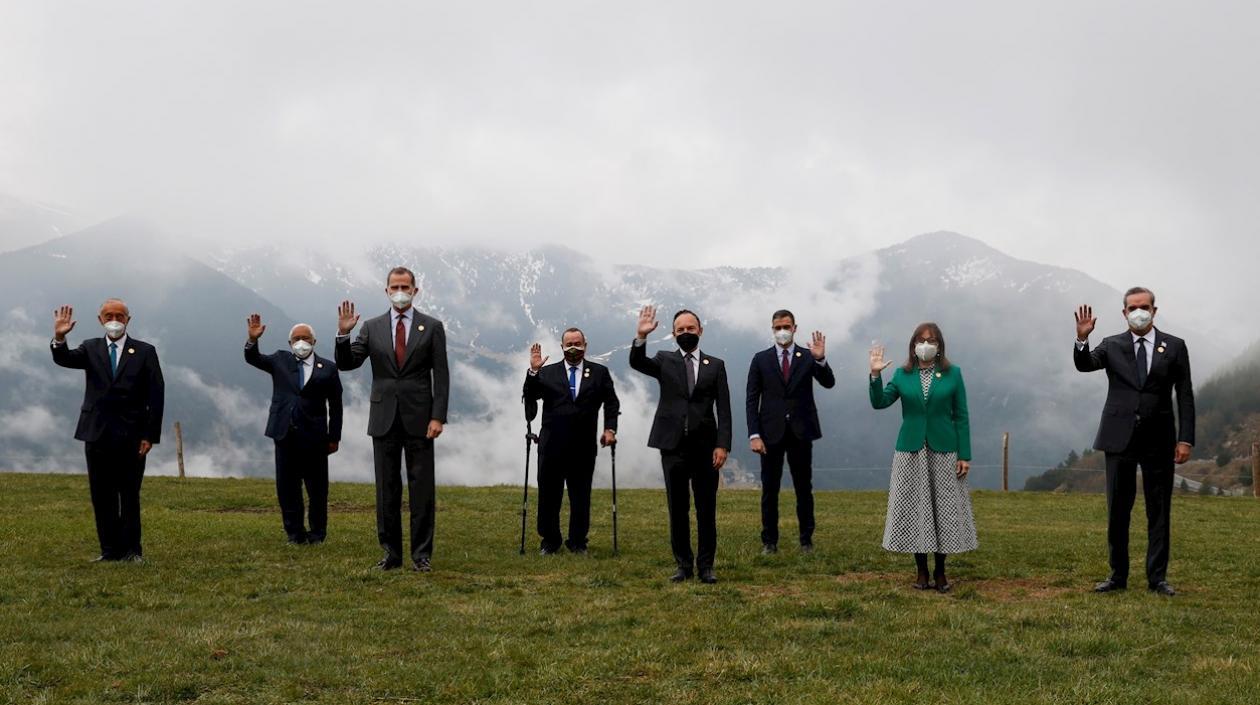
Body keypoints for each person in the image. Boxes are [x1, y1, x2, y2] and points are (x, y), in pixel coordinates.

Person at [1074, 287, 1194, 596]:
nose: (1138, 311)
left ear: (1154, 310)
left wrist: (1185, 440)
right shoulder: (1112, 345)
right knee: (1118, 509)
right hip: (1119, 437)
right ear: (1124, 312)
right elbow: (1085, 364)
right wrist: (1082, 339)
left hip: (1160, 438)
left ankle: (1158, 579)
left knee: (1159, 510)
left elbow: (1185, 395)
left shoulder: (1176, 347)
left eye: (1144, 306)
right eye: (1132, 307)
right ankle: (1117, 576)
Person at [335, 267, 449, 572]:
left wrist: (438, 416)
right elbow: (347, 363)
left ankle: (421, 555)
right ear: (386, 291)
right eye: (394, 286)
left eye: (405, 286)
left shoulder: (432, 326)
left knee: (421, 488)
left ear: (415, 290)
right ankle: (391, 554)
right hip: (383, 416)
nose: (400, 291)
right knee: (386, 488)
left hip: (421, 418)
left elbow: (442, 374)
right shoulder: (371, 327)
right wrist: (344, 333)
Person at [50, 300, 164, 563]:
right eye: (109, 315)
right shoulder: (91, 347)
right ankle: (109, 551)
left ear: (128, 319)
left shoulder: (145, 351)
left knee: (129, 494)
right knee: (101, 495)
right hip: (96, 432)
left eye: (119, 315)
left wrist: (150, 435)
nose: (114, 319)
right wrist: (59, 337)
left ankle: (132, 551)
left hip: (132, 436)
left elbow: (156, 394)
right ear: (100, 319)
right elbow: (64, 359)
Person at [868, 322, 976, 592]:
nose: (925, 344)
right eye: (921, 339)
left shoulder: (953, 374)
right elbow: (879, 402)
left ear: (939, 345)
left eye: (931, 340)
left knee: (944, 510)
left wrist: (965, 455)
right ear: (913, 344)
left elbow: (961, 416)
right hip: (911, 451)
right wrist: (874, 375)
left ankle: (940, 572)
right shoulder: (903, 375)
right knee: (916, 509)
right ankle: (921, 571)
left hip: (944, 450)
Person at [629, 305, 731, 583]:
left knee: (706, 508)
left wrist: (723, 445)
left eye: (691, 328)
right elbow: (637, 363)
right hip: (672, 446)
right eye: (681, 330)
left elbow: (724, 409)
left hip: (705, 447)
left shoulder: (716, 365)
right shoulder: (664, 360)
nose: (687, 333)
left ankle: (706, 566)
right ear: (673, 334)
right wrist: (641, 336)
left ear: (701, 331)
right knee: (678, 507)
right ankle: (683, 566)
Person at [244, 314, 343, 545]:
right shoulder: (280, 360)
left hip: (315, 438)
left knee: (317, 490)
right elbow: (253, 358)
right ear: (290, 344)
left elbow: (336, 406)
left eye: (306, 338)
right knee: (287, 489)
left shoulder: (327, 368)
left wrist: (334, 437)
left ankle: (317, 534)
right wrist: (252, 339)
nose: (301, 342)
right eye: (297, 339)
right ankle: (295, 534)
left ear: (314, 342)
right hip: (284, 434)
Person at [523, 328, 620, 555]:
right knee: (549, 495)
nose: (573, 347)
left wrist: (610, 429)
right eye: (569, 343)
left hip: (583, 446)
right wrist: (533, 372)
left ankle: (577, 542)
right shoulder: (547, 372)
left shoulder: (599, 373)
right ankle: (550, 541)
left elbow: (611, 402)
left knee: (580, 496)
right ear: (562, 346)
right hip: (551, 445)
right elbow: (530, 396)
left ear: (585, 344)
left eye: (577, 343)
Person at [746, 309, 835, 555]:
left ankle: (806, 539)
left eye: (786, 326)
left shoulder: (807, 356)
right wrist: (754, 434)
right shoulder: (760, 359)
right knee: (769, 489)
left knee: (803, 488)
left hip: (801, 432)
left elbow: (828, 382)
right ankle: (769, 541)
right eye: (777, 327)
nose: (782, 331)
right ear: (772, 329)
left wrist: (820, 360)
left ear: (795, 328)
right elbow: (752, 399)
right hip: (770, 433)